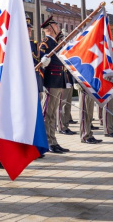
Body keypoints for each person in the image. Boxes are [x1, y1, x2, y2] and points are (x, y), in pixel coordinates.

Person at [39, 17, 69, 153]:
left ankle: (53, 140)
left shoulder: (55, 43)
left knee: (52, 114)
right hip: (50, 83)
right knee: (48, 114)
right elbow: (40, 64)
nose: (58, 27)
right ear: (50, 28)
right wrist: (42, 83)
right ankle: (48, 142)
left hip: (57, 82)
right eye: (56, 25)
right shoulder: (45, 44)